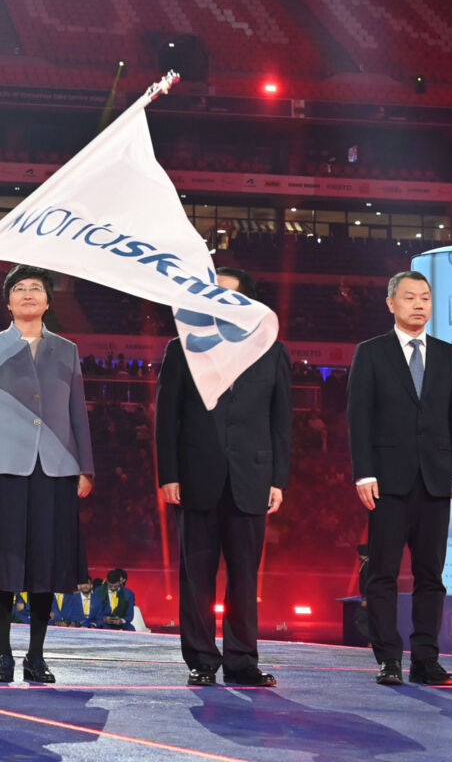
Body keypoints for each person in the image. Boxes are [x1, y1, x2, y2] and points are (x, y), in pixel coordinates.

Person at [156, 265, 291, 687]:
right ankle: (200, 660)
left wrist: (278, 479)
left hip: (251, 478)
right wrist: (169, 474)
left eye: (231, 297)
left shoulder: (272, 350)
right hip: (197, 477)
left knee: (244, 577)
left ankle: (241, 661)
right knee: (196, 575)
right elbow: (167, 418)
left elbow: (281, 421)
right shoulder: (182, 349)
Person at [0, 265, 94, 684]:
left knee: (46, 568)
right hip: (2, 469)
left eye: (35, 288)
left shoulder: (67, 349)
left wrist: (85, 466)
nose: (27, 294)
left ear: (48, 301)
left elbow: (78, 413)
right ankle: (3, 654)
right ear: (8, 302)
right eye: (18, 289)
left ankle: (36, 656)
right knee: (4, 566)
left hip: (55, 470)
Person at [348, 270, 452, 686]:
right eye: (410, 297)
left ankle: (425, 659)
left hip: (436, 480)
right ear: (391, 303)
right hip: (387, 480)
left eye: (426, 298)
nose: (420, 304)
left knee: (431, 576)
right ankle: (388, 658)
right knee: (382, 573)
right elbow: (358, 417)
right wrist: (363, 472)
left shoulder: (449, 355)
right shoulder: (371, 352)